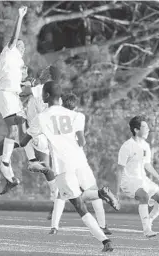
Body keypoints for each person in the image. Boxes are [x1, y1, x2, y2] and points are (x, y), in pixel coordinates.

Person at [19, 81, 120, 252]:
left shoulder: (42, 117)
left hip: (63, 166)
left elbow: (23, 142)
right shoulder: (76, 115)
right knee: (83, 196)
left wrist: (21, 123)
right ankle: (100, 193)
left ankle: (105, 241)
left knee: (79, 205)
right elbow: (81, 140)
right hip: (80, 161)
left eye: (43, 94)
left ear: (47, 96)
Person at [0, 6, 45, 195]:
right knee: (14, 130)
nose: (21, 47)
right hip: (6, 93)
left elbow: (24, 84)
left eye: (23, 46)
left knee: (23, 133)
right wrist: (20, 17)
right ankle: (5, 164)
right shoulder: (8, 52)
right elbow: (15, 38)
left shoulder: (19, 63)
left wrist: (32, 83)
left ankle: (11, 175)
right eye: (20, 45)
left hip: (13, 95)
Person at [48, 93, 112, 236]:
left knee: (61, 195)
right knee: (94, 191)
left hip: (63, 162)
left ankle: (54, 226)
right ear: (75, 105)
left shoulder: (53, 117)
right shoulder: (79, 116)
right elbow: (82, 141)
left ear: (60, 103)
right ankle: (103, 225)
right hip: (79, 160)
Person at [117, 115, 159, 238]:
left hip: (142, 180)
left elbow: (147, 165)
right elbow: (119, 168)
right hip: (128, 181)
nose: (148, 129)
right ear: (136, 130)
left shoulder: (146, 146)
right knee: (144, 196)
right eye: (145, 127)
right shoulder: (127, 146)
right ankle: (147, 230)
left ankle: (149, 220)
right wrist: (116, 191)